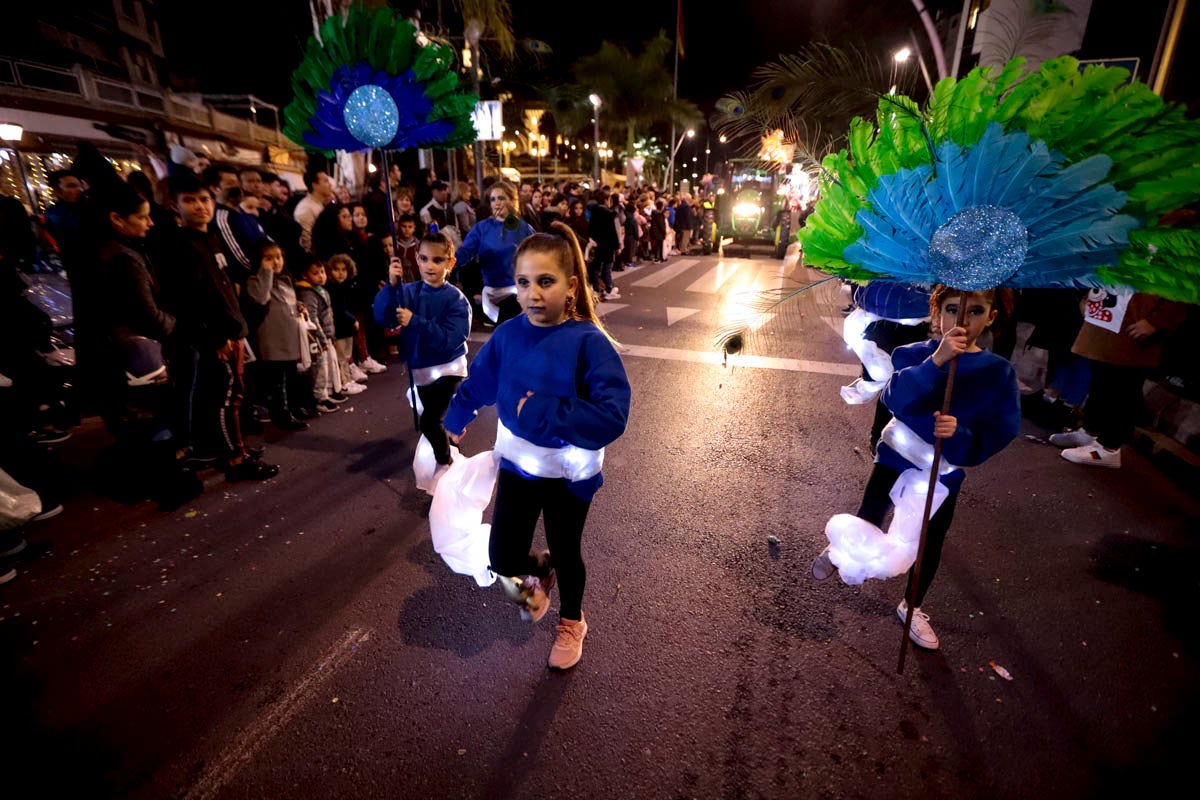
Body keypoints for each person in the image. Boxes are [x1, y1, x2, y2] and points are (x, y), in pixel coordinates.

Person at [443, 222, 631, 670]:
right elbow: (481, 381)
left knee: (567, 551)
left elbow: (611, 416)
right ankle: (538, 571)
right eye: (524, 282)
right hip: (518, 465)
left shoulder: (589, 343)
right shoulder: (508, 334)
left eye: (546, 281)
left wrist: (540, 410)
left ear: (571, 287)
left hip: (569, 473)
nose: (533, 294)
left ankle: (572, 621)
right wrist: (455, 417)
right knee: (501, 556)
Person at [812, 286, 1020, 651]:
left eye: (975, 311)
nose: (962, 319)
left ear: (991, 317)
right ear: (937, 313)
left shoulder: (997, 372)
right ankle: (843, 551)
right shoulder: (913, 354)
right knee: (871, 513)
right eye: (952, 309)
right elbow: (895, 397)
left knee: (930, 538)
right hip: (897, 454)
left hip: (943, 470)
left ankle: (912, 606)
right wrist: (935, 362)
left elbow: (1001, 429)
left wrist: (960, 434)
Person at [158, 172, 279, 481]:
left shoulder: (211, 238)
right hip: (216, 337)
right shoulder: (180, 246)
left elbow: (225, 285)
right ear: (175, 206)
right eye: (190, 201)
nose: (200, 206)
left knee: (231, 396)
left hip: (231, 331)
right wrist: (215, 337)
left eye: (204, 199)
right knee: (226, 400)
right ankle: (236, 458)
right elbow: (189, 300)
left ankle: (233, 448)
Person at [1049, 290, 1189, 468]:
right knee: (1101, 380)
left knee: (1123, 386)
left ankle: (1109, 447)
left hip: (1134, 322)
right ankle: (1090, 431)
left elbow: (1184, 286)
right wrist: (1087, 297)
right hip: (1108, 315)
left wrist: (1156, 321)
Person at [373, 230, 470, 472]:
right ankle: (451, 444)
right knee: (435, 419)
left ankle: (445, 463)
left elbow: (451, 338)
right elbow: (384, 317)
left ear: (450, 263)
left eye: (437, 260)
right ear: (416, 259)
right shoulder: (407, 292)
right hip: (421, 369)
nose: (430, 265)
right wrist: (391, 287)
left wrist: (415, 321)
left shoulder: (456, 299)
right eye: (424, 259)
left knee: (429, 421)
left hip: (448, 369)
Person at [244, 240, 310, 431]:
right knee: (277, 380)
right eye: (268, 258)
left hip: (288, 336)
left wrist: (299, 305)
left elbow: (289, 301)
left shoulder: (286, 279)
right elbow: (261, 297)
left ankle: (293, 408)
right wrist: (266, 272)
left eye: (278, 257)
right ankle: (282, 415)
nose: (275, 262)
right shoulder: (255, 281)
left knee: (291, 375)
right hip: (272, 339)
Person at [455, 180, 535, 325]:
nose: (496, 203)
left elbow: (538, 256)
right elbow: (464, 253)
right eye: (493, 199)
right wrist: (446, 261)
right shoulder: (482, 228)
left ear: (511, 200)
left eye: (501, 198)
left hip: (518, 292)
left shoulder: (524, 229)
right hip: (491, 294)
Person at [294, 258, 343, 413]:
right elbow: (313, 318)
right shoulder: (308, 293)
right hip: (317, 338)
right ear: (305, 275)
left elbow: (328, 316)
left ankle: (328, 392)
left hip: (327, 335)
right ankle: (319, 398)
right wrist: (322, 339)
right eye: (315, 273)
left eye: (322, 272)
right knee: (320, 368)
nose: (321, 276)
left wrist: (331, 336)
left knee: (329, 364)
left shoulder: (322, 290)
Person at [325, 253, 366, 395]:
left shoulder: (346, 287)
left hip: (347, 327)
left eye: (344, 270)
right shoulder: (331, 289)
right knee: (341, 357)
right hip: (339, 328)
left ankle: (348, 379)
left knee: (347, 355)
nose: (340, 273)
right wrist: (352, 319)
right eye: (336, 270)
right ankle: (344, 382)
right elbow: (338, 309)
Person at [587, 189, 620, 300]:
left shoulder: (594, 212)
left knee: (597, 267)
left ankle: (597, 289)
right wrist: (617, 246)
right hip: (608, 245)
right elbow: (612, 231)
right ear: (606, 200)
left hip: (597, 244)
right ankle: (608, 289)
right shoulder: (608, 213)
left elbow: (591, 228)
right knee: (607, 267)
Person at [295, 168, 335, 253]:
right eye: (326, 181)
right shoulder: (306, 208)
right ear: (314, 185)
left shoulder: (323, 204)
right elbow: (306, 242)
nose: (330, 184)